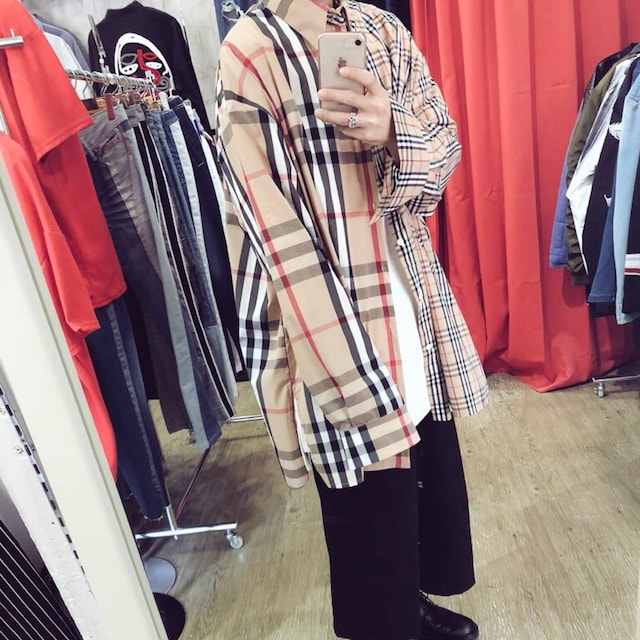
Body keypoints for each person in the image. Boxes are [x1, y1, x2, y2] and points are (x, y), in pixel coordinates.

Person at [214, 1, 489, 638]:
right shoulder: (252, 51)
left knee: (416, 485)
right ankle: (388, 621)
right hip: (337, 328)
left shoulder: (381, 28)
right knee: (367, 511)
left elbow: (445, 148)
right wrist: (347, 377)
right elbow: (275, 238)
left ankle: (410, 606)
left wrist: (394, 129)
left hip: (413, 310)